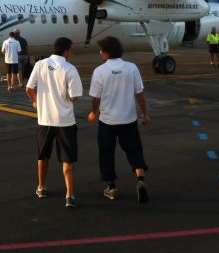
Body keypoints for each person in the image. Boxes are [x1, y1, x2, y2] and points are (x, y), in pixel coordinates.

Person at [88, 36, 150, 204]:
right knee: (134, 150)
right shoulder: (131, 68)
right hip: (128, 119)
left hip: (108, 120)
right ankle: (140, 180)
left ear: (106, 52)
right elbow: (140, 95)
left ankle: (111, 187)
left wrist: (93, 112)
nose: (100, 53)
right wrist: (145, 114)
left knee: (107, 152)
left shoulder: (100, 71)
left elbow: (96, 98)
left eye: (101, 50)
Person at [26, 37, 83, 208]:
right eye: (70, 50)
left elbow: (29, 88)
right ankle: (69, 195)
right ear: (66, 51)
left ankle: (41, 187)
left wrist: (37, 102)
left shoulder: (40, 65)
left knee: (43, 156)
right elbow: (74, 96)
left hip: (44, 120)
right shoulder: (70, 68)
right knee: (68, 160)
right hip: (65, 121)